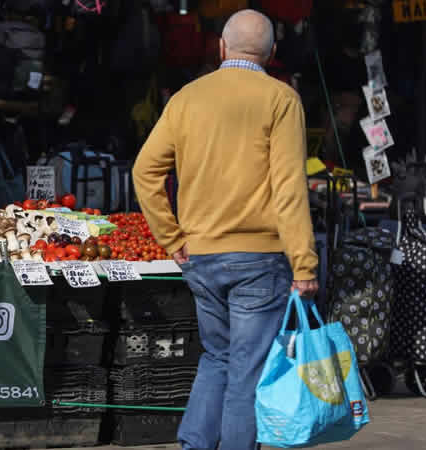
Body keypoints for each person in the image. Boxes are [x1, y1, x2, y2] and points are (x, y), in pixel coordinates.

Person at [132, 9, 319, 450]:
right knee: (247, 371)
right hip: (258, 258)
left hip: (200, 256)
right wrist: (305, 263)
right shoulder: (281, 98)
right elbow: (289, 188)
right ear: (272, 53)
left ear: (220, 47)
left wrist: (170, 236)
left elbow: (144, 171)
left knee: (216, 358)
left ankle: (195, 445)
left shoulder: (186, 98)